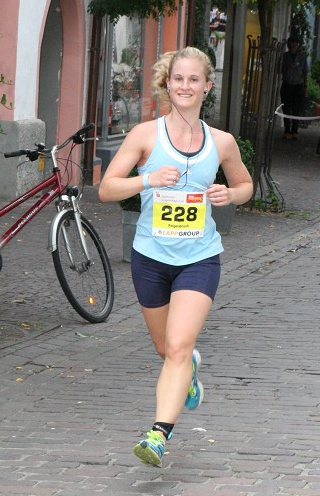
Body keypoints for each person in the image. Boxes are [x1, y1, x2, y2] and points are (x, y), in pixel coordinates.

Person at [98, 46, 253, 468]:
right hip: (150, 256)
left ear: (207, 85)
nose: (185, 87)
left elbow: (245, 185)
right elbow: (106, 188)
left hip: (199, 257)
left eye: (193, 80)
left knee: (180, 346)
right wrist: (146, 180)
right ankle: (187, 374)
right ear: (167, 83)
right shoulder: (145, 136)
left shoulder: (221, 142)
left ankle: (158, 435)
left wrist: (229, 194)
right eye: (178, 79)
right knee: (166, 349)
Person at [280, 37, 307, 138]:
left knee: (296, 108)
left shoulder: (302, 57)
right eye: (290, 46)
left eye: (294, 46)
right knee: (286, 108)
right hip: (287, 84)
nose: (292, 48)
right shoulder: (285, 56)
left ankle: (295, 131)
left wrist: (305, 85)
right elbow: (280, 70)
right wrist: (290, 67)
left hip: (298, 85)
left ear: (297, 46)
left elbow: (305, 72)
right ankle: (287, 130)